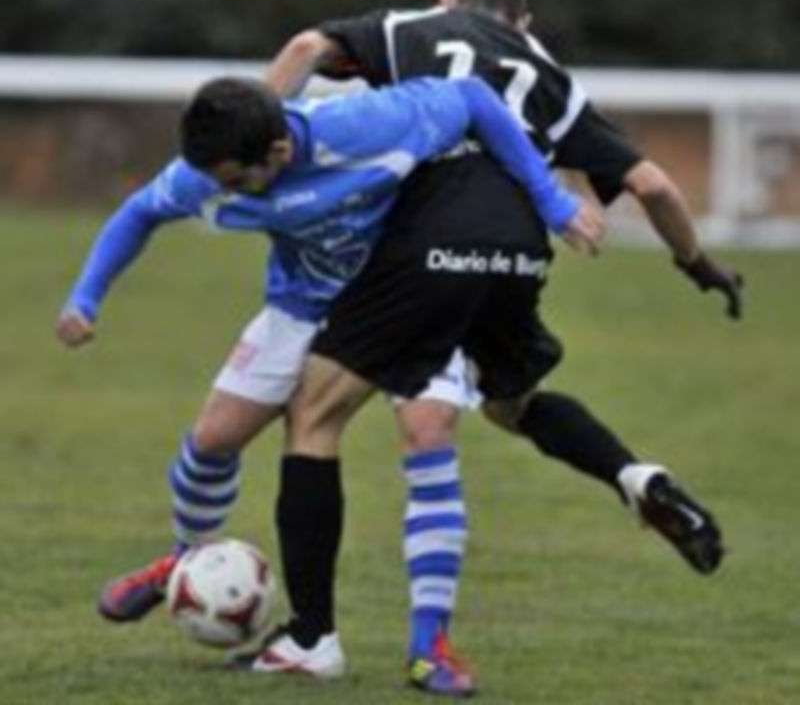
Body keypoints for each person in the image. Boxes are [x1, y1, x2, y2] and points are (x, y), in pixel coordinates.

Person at [244, 0, 740, 695]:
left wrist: (257, 140)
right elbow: (653, 184)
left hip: (425, 242)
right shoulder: (549, 74)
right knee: (512, 404)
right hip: (517, 252)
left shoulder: (413, 26)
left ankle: (314, 637)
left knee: (314, 415)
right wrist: (699, 265)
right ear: (524, 19)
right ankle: (633, 475)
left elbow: (307, 49)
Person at [56, 74, 601, 681]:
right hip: (299, 307)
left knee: (429, 432)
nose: (221, 193)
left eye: (236, 181)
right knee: (212, 439)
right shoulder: (204, 173)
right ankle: (185, 563)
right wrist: (86, 298)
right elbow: (140, 212)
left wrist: (552, 201)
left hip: (403, 301)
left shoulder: (368, 126)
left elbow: (473, 96)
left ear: (281, 151)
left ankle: (430, 649)